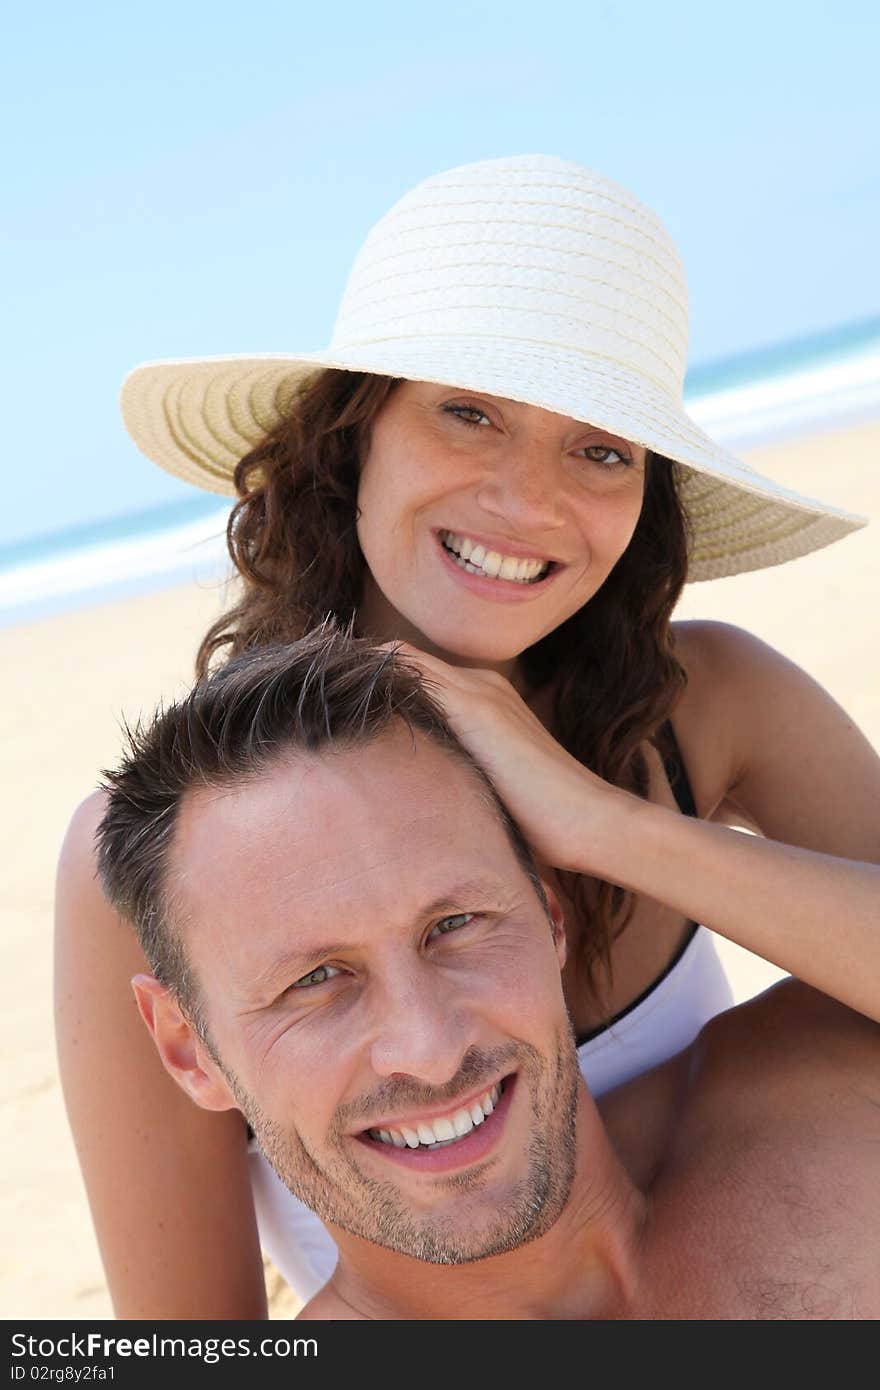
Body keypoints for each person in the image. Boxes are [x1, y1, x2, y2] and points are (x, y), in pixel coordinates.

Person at [55, 155, 880, 1316]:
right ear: (354, 438)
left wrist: (601, 821)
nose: (528, 499)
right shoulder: (185, 850)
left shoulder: (710, 702)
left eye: (600, 448)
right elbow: (190, 1333)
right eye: (469, 412)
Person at [95, 631, 880, 1321]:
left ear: (552, 920)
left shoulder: (831, 1089)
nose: (431, 1050)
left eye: (454, 926)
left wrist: (606, 825)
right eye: (315, 980)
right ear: (189, 1052)